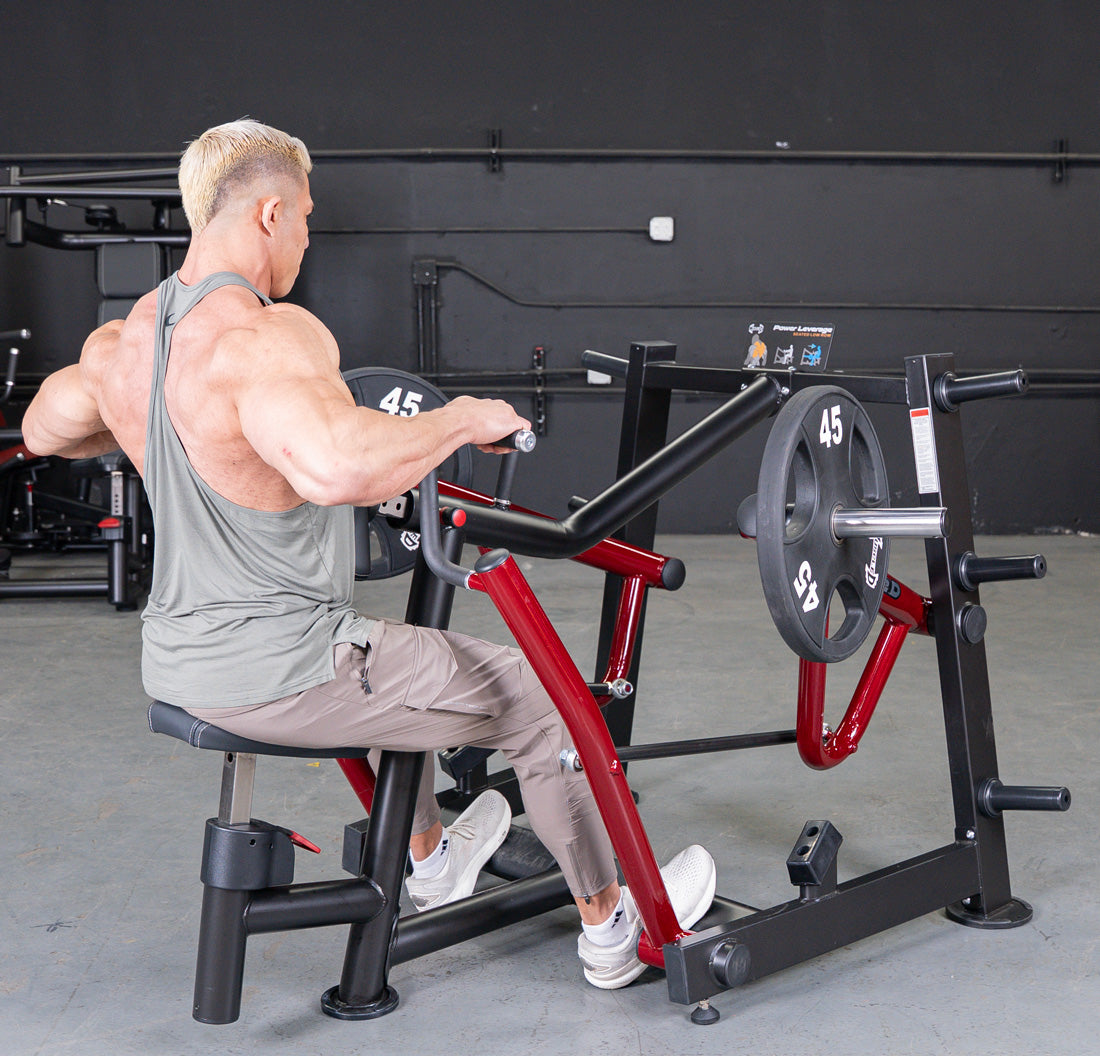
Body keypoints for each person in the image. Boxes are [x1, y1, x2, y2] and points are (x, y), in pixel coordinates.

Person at [21, 119, 716, 989]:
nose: (309, 238)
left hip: (175, 661)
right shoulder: (269, 338)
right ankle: (618, 926)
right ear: (270, 212)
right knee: (543, 696)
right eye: (307, 217)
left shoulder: (123, 344)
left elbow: (46, 427)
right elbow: (335, 463)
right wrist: (463, 417)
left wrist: (138, 424)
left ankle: (429, 858)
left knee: (392, 654)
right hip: (281, 666)